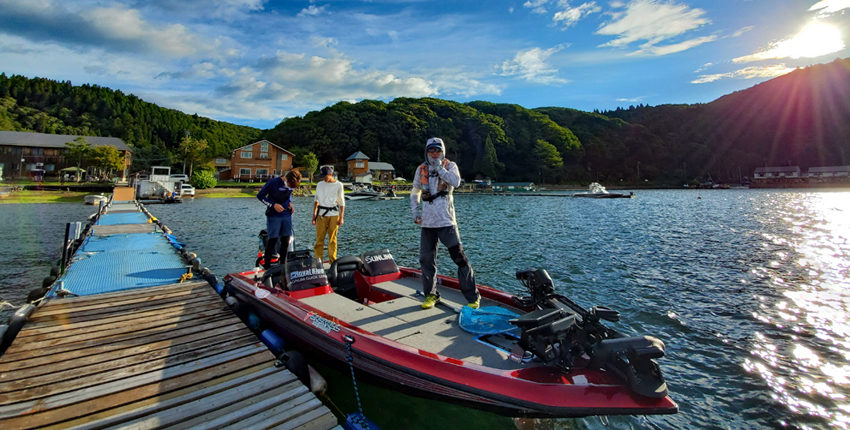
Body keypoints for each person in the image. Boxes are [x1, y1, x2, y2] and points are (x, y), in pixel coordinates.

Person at [411, 137, 480, 310]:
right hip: (427, 223)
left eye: (438, 150)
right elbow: (415, 192)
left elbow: (455, 182)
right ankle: (431, 295)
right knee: (426, 260)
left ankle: (473, 297)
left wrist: (440, 167)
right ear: (426, 152)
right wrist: (415, 212)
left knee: (459, 258)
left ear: (443, 151)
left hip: (446, 221)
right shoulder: (421, 169)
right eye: (431, 150)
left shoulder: (451, 166)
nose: (434, 154)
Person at [257, 170, 301, 269]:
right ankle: (267, 267)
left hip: (286, 214)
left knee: (286, 241)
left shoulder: (291, 185)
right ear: (287, 179)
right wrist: (273, 205)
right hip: (274, 215)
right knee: (272, 240)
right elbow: (260, 196)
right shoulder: (273, 183)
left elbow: (288, 194)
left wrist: (290, 203)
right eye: (290, 185)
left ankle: (283, 266)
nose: (290, 188)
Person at [312, 166, 345, 263]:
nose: (323, 178)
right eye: (322, 176)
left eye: (325, 176)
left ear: (330, 175)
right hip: (321, 214)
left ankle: (332, 260)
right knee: (319, 239)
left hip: (334, 214)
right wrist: (314, 214)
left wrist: (341, 217)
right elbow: (316, 200)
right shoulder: (320, 185)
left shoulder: (339, 185)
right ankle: (318, 260)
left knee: (332, 239)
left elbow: (342, 202)